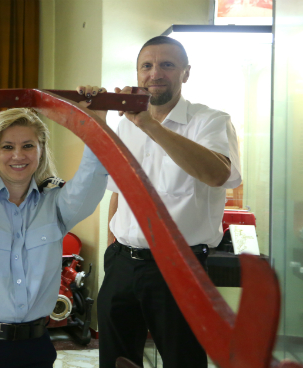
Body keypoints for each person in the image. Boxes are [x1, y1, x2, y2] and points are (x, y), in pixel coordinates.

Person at [0, 85, 109, 368]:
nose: (18, 155)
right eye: (7, 147)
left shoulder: (57, 205)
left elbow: (91, 182)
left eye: (28, 145)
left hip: (31, 347)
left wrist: (95, 128)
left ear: (41, 151)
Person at [96, 36, 242, 368]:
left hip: (181, 266)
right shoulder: (124, 124)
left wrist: (149, 124)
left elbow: (218, 174)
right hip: (123, 264)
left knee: (183, 359)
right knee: (117, 360)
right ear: (137, 74)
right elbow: (119, 192)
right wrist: (112, 254)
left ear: (185, 73)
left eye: (167, 65)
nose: (155, 73)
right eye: (146, 66)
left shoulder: (211, 121)